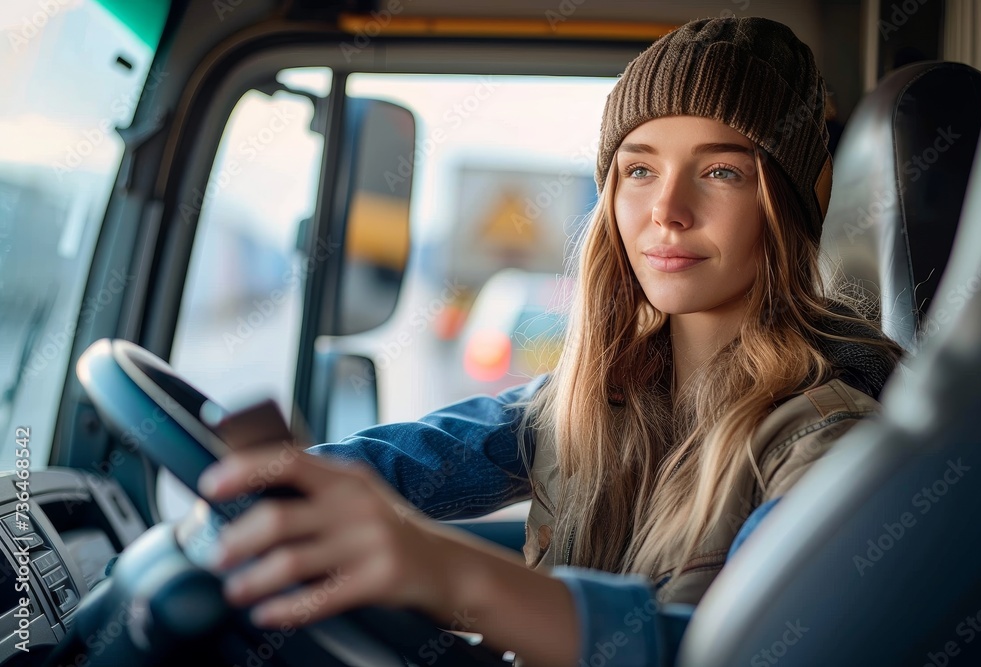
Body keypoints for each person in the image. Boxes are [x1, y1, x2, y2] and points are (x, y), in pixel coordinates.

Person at [196, 16, 902, 666]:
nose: (667, 210)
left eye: (722, 171)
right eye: (639, 169)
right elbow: (412, 458)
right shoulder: (589, 397)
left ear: (788, 204)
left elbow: (731, 650)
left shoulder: (828, 443)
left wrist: (445, 569)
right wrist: (254, 487)